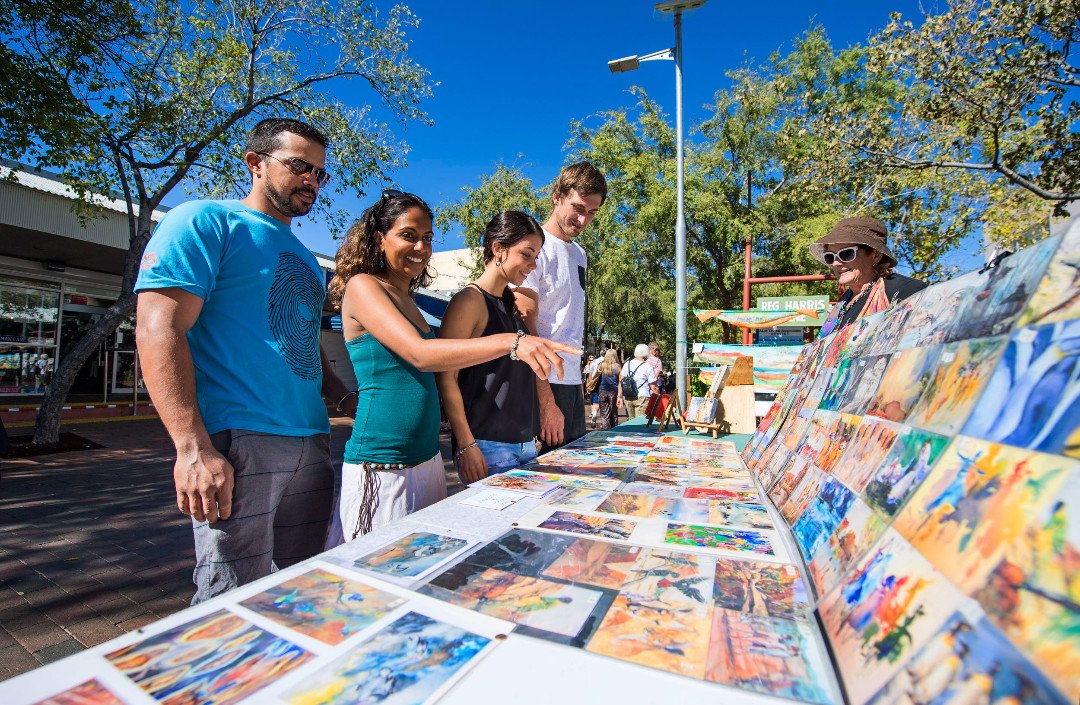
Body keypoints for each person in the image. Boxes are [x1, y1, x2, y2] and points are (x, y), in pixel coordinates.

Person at [135, 118, 354, 603]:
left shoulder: (303, 255)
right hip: (240, 443)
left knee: (299, 589)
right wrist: (192, 447)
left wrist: (341, 395)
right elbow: (158, 328)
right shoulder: (205, 220)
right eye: (300, 166)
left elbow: (296, 334)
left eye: (321, 174)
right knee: (231, 601)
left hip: (312, 440)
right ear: (255, 163)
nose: (312, 181)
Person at [326, 193, 578, 542]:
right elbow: (421, 354)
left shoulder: (408, 300)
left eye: (428, 238)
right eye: (408, 235)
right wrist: (513, 342)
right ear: (378, 238)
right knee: (370, 576)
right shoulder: (363, 286)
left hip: (427, 459)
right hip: (382, 462)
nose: (420, 247)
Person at [437, 211, 556, 481]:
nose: (533, 265)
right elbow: (446, 379)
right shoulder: (469, 301)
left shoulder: (510, 305)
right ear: (498, 249)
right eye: (526, 254)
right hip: (488, 446)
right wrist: (467, 445)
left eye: (536, 257)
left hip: (524, 444)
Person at [514, 162, 607, 453]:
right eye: (578, 208)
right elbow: (523, 321)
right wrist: (545, 399)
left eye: (591, 212)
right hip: (539, 384)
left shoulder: (580, 254)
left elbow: (566, 322)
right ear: (557, 196)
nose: (583, 219)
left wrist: (575, 380)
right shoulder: (534, 246)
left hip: (569, 381)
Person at [810, 216, 927, 337]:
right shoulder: (842, 304)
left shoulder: (905, 290)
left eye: (846, 253)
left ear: (876, 255)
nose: (836, 263)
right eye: (830, 256)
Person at [617, 344, 659, 420]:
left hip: (628, 396)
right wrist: (657, 399)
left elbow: (621, 381)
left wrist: (619, 396)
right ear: (646, 353)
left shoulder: (627, 364)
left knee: (631, 422)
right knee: (640, 422)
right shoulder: (647, 366)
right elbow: (654, 387)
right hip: (642, 397)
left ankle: (631, 432)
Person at [595, 349, 621, 429]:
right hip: (614, 391)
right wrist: (619, 395)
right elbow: (620, 381)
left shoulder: (601, 365)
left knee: (604, 414)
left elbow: (595, 377)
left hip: (602, 391)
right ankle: (614, 430)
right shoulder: (617, 366)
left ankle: (606, 430)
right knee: (614, 413)